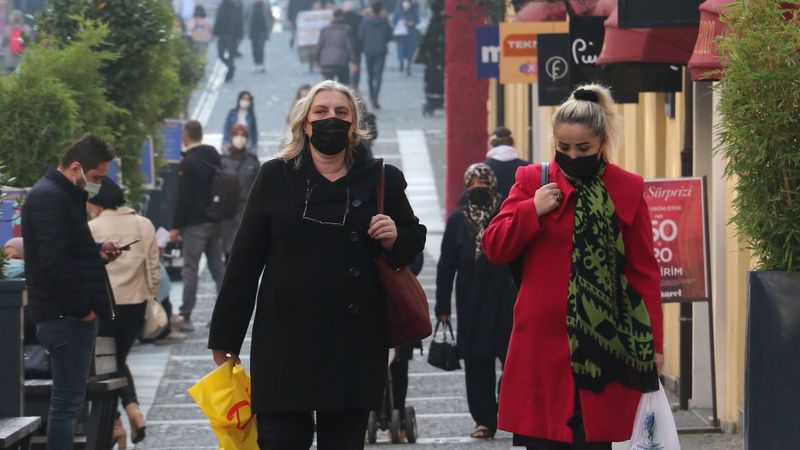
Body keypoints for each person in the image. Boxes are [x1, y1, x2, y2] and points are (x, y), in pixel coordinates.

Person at [207, 80, 426, 450]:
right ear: (305, 123)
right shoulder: (275, 176)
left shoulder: (381, 179)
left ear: (354, 126)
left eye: (341, 113)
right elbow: (244, 261)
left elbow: (412, 245)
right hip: (284, 341)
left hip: (354, 342)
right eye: (321, 111)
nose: (331, 119)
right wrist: (225, 338)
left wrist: (394, 237)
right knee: (280, 440)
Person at [481, 84, 665, 449]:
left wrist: (654, 345)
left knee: (593, 440)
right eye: (563, 147)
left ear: (602, 143)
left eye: (583, 148)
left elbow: (643, 273)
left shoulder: (626, 188)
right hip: (540, 345)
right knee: (542, 440)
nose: (572, 155)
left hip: (604, 347)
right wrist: (531, 210)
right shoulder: (533, 180)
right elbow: (494, 246)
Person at [22, 133, 122, 450]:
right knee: (67, 405)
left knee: (68, 402)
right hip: (64, 316)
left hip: (65, 313)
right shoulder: (50, 197)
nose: (98, 185)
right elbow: (54, 262)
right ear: (76, 167)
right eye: (96, 177)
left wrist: (97, 250)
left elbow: (69, 250)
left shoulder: (62, 194)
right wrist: (83, 310)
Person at [435, 163, 516, 440]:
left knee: (513, 359)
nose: (477, 188)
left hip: (507, 300)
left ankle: (509, 410)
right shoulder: (458, 221)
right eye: (472, 184)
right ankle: (484, 419)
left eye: (482, 183)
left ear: (492, 185)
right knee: (477, 362)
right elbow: (446, 265)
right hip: (472, 302)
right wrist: (442, 306)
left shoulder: (507, 214)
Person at [87, 177, 160, 445]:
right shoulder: (143, 224)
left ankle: (121, 418)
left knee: (107, 363)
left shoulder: (92, 228)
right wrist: (151, 296)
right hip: (135, 303)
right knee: (116, 359)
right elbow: (153, 270)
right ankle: (129, 413)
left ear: (95, 201)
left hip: (104, 305)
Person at [170, 120, 226, 333]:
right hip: (216, 221)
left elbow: (183, 198)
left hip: (195, 223)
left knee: (190, 268)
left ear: (186, 136)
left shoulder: (189, 162)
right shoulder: (214, 156)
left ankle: (185, 315)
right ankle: (225, 312)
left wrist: (176, 226)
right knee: (218, 268)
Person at [221, 124, 260, 258]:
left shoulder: (252, 161)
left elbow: (260, 185)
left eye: (243, 135)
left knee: (243, 249)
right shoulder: (223, 160)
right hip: (227, 211)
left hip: (245, 209)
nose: (240, 138)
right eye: (237, 135)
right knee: (227, 250)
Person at [359, 1, 393, 109]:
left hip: (368, 50)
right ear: (380, 10)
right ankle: (375, 98)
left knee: (370, 75)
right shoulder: (385, 21)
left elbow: (360, 35)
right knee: (379, 76)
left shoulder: (365, 21)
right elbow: (390, 36)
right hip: (381, 51)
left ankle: (371, 96)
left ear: (372, 10)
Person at [485, 127, 530, 198]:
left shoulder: (482, 169)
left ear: (490, 144)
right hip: (520, 205)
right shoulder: (528, 167)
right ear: (513, 143)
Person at [316, 9, 358, 85]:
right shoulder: (346, 29)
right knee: (343, 86)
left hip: (326, 61)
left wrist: (317, 59)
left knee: (328, 86)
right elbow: (350, 47)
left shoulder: (325, 29)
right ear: (342, 17)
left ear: (333, 16)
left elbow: (320, 46)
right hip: (342, 61)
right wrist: (354, 61)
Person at [214, 0, 244, 82]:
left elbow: (239, 23)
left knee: (231, 56)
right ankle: (230, 67)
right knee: (220, 55)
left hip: (232, 36)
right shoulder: (221, 7)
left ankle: (229, 74)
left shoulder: (235, 8)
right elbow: (218, 20)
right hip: (222, 35)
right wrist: (215, 33)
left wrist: (239, 36)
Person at [390, 0, 419, 75]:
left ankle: (409, 65)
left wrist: (411, 23)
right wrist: (400, 22)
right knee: (400, 50)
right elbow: (393, 21)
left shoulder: (413, 11)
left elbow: (417, 20)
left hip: (411, 35)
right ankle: (401, 63)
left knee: (410, 50)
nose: (406, 4)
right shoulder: (398, 11)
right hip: (401, 35)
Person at [249, 0, 275, 73]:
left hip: (262, 30)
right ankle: (256, 63)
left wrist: (269, 29)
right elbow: (246, 17)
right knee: (254, 48)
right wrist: (246, 28)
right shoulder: (251, 7)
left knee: (260, 48)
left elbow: (271, 18)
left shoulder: (266, 6)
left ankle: (261, 63)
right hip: (253, 31)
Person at [341, 1, 363, 89]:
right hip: (356, 45)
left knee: (344, 65)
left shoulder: (341, 18)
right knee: (356, 65)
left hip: (343, 45)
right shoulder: (359, 18)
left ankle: (345, 84)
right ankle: (355, 84)